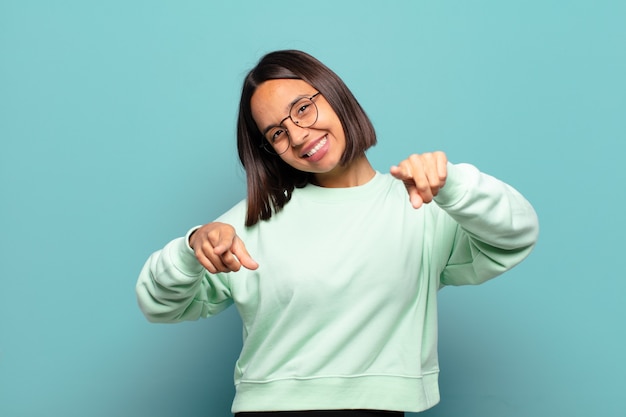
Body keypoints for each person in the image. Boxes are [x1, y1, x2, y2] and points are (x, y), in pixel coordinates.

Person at [136, 50, 539, 417]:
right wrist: (191, 248)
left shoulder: (421, 203)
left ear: (335, 96)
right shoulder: (252, 221)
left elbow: (516, 234)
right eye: (276, 133)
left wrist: (454, 183)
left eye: (303, 109)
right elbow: (159, 304)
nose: (297, 136)